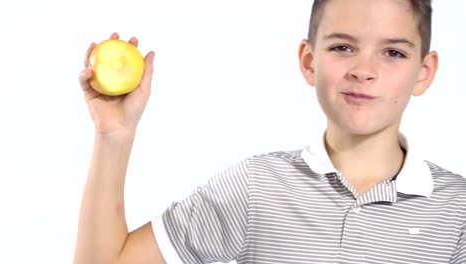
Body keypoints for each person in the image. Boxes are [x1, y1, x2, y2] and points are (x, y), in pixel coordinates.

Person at [73, 0, 466, 263]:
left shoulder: (459, 212)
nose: (363, 70)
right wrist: (114, 136)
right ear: (309, 61)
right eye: (343, 47)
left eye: (393, 52)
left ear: (424, 71)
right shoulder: (256, 186)